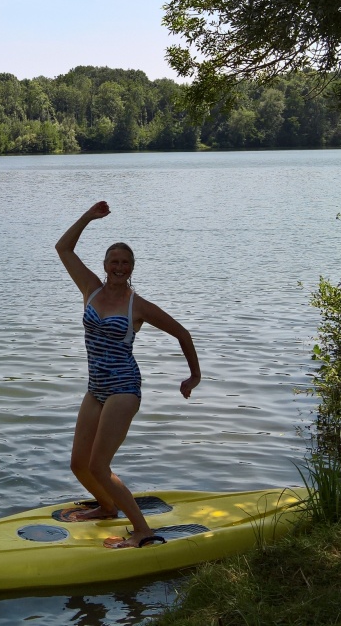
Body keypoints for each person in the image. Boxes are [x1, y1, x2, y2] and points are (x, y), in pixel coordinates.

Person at [54, 201, 201, 549]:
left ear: (132, 268)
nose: (119, 267)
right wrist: (88, 217)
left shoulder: (139, 306)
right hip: (96, 389)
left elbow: (183, 334)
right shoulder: (90, 289)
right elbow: (63, 248)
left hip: (123, 388)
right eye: (113, 262)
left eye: (125, 263)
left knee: (99, 466)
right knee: (79, 464)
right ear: (105, 266)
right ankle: (106, 507)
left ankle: (142, 530)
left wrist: (193, 377)